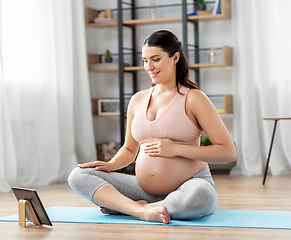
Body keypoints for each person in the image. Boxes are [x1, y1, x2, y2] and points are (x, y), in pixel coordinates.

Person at [68, 30, 236, 224]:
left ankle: (128, 207)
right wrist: (111, 165)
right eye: (145, 60)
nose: (149, 66)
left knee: (199, 197)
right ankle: (141, 210)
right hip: (143, 189)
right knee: (78, 175)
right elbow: (130, 149)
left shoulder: (194, 98)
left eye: (155, 59)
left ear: (175, 57)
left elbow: (228, 152)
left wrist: (176, 149)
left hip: (189, 185)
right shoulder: (137, 100)